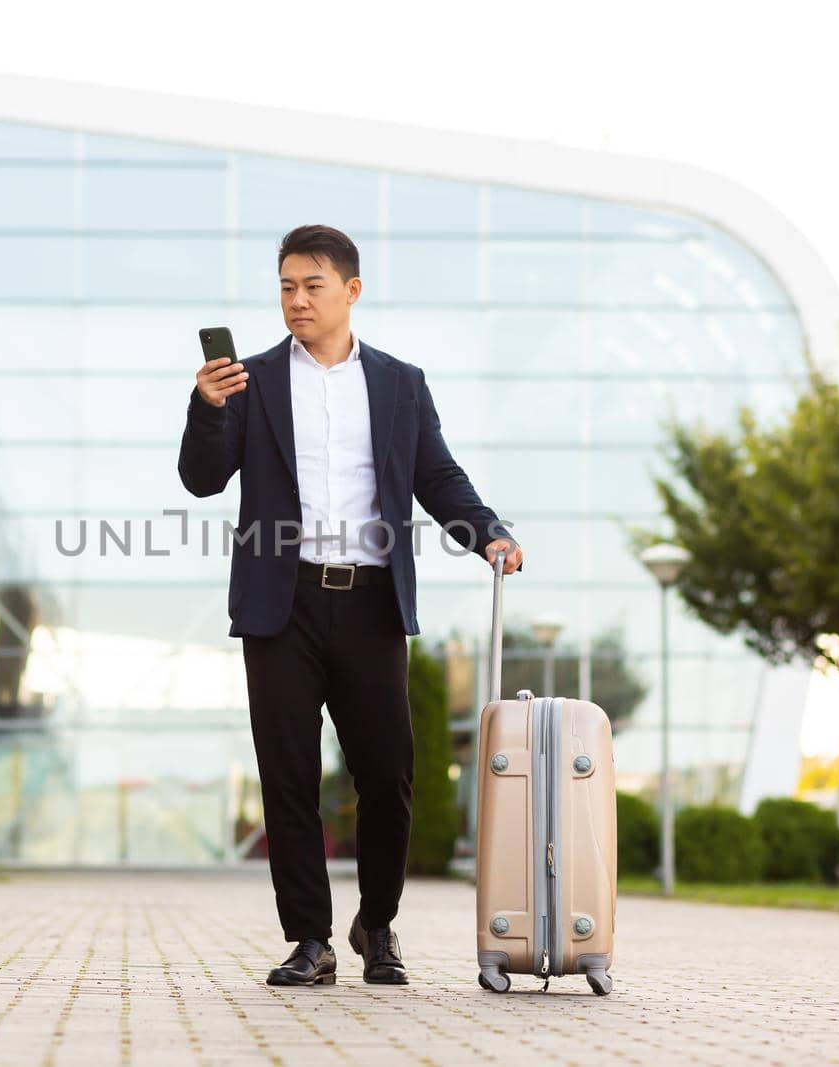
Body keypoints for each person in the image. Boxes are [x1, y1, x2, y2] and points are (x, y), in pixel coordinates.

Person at [177, 224, 522, 988]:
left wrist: (488, 534)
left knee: (388, 773)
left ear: (351, 291)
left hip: (369, 604)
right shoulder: (252, 379)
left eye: (313, 286)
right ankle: (310, 937)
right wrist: (207, 408)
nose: (297, 301)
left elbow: (437, 476)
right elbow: (202, 479)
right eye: (286, 287)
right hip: (282, 603)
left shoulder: (400, 383)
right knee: (289, 775)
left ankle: (377, 922)